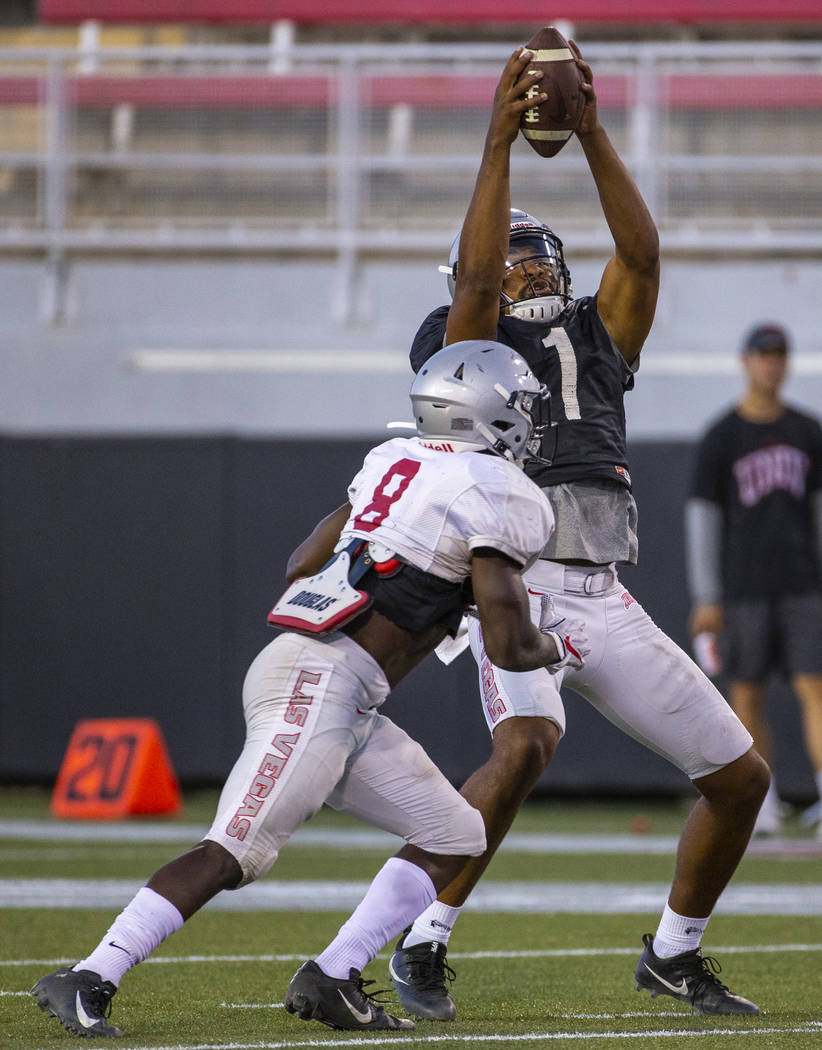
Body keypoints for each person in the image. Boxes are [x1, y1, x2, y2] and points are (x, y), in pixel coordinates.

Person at [30, 340, 591, 1039]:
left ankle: (332, 975)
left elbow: (302, 561)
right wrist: (555, 646)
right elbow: (510, 645)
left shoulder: (394, 462)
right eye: (522, 406)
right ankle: (90, 975)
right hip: (321, 681)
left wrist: (423, 578)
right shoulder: (499, 492)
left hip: (339, 683)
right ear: (488, 413)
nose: (530, 419)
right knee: (232, 852)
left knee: (456, 833)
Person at [388, 41, 769, 1021]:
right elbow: (475, 289)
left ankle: (674, 954)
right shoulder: (457, 333)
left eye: (534, 252)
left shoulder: (598, 334)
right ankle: (421, 941)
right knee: (522, 752)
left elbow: (641, 256)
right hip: (513, 578)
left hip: (603, 585)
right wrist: (501, 143)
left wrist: (592, 131)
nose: (526, 266)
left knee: (740, 778)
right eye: (507, 257)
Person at [686, 321, 822, 837]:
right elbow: (703, 518)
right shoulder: (722, 437)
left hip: (802, 583)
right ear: (746, 362)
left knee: (815, 686)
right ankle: (759, 803)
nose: (772, 364)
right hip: (742, 587)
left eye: (780, 355)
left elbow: (818, 511)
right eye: (764, 355)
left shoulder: (807, 431)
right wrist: (707, 596)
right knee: (746, 692)